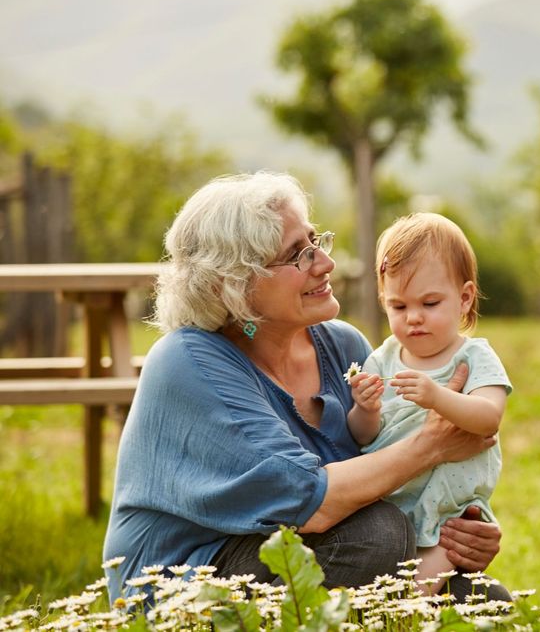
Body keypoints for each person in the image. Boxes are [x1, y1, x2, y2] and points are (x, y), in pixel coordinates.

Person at [103, 172, 508, 603]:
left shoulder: (343, 345)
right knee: (378, 536)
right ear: (236, 284)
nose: (325, 263)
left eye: (317, 242)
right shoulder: (188, 361)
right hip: (188, 582)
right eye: (298, 255)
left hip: (310, 552)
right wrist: (434, 445)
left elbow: (385, 464)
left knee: (484, 600)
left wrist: (460, 527)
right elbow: (309, 503)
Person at [346, 212, 510, 596]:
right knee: (384, 583)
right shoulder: (382, 358)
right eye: (398, 307)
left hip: (449, 510)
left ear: (464, 298)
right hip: (394, 499)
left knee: (411, 594)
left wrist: (439, 396)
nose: (414, 318)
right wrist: (365, 410)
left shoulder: (473, 357)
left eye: (430, 303)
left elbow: (488, 418)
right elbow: (362, 436)